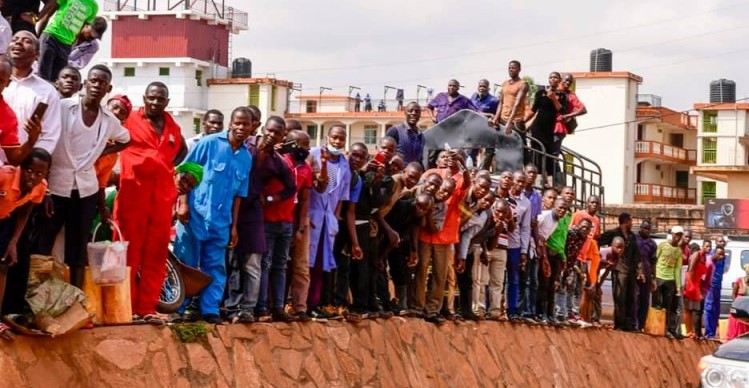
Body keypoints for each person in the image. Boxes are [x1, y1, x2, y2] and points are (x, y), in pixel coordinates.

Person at [34, 65, 130, 289]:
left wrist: (102, 152)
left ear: (109, 88)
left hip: (85, 190)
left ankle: (76, 299)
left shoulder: (108, 119)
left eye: (102, 83)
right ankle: (36, 299)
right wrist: (44, 188)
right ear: (86, 83)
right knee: (43, 244)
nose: (97, 86)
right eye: (94, 81)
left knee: (78, 249)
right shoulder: (64, 107)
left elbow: (126, 139)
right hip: (56, 185)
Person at [114, 82, 187, 324]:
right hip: (133, 192)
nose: (155, 103)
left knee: (156, 253)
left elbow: (182, 149)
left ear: (167, 102)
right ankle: (125, 307)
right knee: (127, 252)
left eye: (160, 99)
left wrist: (166, 166)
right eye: (151, 98)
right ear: (144, 98)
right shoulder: (129, 119)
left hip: (162, 197)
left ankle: (146, 307)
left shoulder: (173, 126)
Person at [172, 107, 253, 325]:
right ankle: (177, 310)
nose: (241, 128)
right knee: (185, 263)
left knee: (216, 268)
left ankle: (210, 311)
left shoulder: (246, 157)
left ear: (252, 127)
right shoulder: (209, 143)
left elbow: (239, 195)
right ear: (230, 123)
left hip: (221, 222)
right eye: (237, 123)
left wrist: (234, 226)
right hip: (195, 216)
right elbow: (184, 172)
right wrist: (183, 204)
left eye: (246, 124)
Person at [229, 116, 294, 323]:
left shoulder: (278, 162)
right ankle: (230, 307)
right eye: (270, 130)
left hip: (253, 213)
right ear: (263, 129)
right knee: (230, 261)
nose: (272, 135)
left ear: (282, 137)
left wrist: (270, 198)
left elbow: (291, 188)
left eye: (277, 133)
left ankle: (248, 309)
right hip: (229, 207)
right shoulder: (245, 146)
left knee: (253, 263)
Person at [305, 125, 352, 317]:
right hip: (311, 216)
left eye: (341, 139)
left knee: (320, 264)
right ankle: (297, 303)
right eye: (334, 138)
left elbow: (342, 196)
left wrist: (334, 219)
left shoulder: (344, 164)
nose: (337, 142)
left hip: (328, 220)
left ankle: (313, 304)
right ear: (327, 137)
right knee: (303, 262)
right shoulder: (313, 154)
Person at [413, 168, 470, 324]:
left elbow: (466, 183)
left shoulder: (445, 205)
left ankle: (432, 310)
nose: (444, 194)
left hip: (443, 240)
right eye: (443, 190)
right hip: (423, 239)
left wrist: (429, 213)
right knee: (421, 272)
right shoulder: (422, 195)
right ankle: (417, 307)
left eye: (448, 192)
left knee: (440, 275)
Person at [0, 149, 52, 317]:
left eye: (39, 173)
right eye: (29, 171)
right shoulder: (4, 176)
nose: (32, 177)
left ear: (46, 173)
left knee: (3, 265)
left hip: (4, 220)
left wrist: (13, 242)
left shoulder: (41, 187)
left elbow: (25, 210)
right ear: (21, 167)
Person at [4, 31, 61, 161]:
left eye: (27, 41)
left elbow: (49, 137)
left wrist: (31, 164)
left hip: (24, 167)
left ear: (37, 55)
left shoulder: (47, 92)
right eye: (15, 39)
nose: (18, 42)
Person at [280, 130, 314, 321]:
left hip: (298, 221)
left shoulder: (306, 168)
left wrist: (301, 227)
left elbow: (305, 199)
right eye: (302, 145)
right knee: (280, 264)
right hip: (279, 219)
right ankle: (276, 305)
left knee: (301, 266)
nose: (306, 149)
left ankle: (300, 307)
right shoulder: (281, 162)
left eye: (308, 145)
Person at [36, 0, 99, 82]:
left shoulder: (94, 6)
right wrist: (38, 39)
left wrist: (71, 45)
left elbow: (80, 29)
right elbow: (47, 15)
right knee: (43, 75)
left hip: (66, 45)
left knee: (56, 80)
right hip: (51, 37)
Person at [599, 213, 641, 331]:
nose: (632, 224)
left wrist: (639, 270)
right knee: (619, 298)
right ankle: (619, 324)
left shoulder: (632, 236)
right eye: (631, 221)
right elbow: (598, 241)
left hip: (631, 271)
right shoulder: (613, 233)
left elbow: (637, 254)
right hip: (618, 269)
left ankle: (629, 324)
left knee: (630, 298)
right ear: (626, 221)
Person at [488, 61, 529, 170]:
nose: (511, 70)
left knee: (521, 146)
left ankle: (529, 171)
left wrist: (510, 122)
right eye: (509, 68)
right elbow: (501, 102)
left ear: (519, 69)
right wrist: (496, 118)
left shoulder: (523, 84)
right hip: (503, 119)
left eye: (514, 68)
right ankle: (502, 170)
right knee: (500, 146)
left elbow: (517, 103)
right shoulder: (505, 83)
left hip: (516, 121)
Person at [526, 72, 563, 186]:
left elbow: (561, 110)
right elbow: (533, 110)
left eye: (555, 78)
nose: (553, 79)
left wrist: (553, 98)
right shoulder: (540, 93)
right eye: (551, 77)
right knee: (537, 151)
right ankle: (540, 179)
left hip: (550, 129)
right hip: (538, 127)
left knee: (547, 153)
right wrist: (523, 121)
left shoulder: (562, 95)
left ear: (559, 80)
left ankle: (547, 179)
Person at [535, 198, 569, 324]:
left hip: (553, 255)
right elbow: (536, 232)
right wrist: (544, 256)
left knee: (551, 285)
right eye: (560, 207)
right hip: (540, 253)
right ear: (554, 206)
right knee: (542, 284)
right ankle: (540, 312)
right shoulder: (544, 216)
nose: (562, 210)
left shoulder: (556, 221)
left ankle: (549, 314)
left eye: (565, 209)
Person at [504, 171, 532, 321]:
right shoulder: (503, 195)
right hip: (499, 242)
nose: (520, 185)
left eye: (523, 182)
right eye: (518, 181)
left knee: (513, 278)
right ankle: (492, 307)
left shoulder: (526, 202)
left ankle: (512, 310)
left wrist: (523, 250)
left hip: (514, 244)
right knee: (495, 278)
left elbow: (525, 228)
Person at [653, 226, 685, 339]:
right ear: (672, 234)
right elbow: (655, 260)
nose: (678, 237)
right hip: (659, 277)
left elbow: (677, 269)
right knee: (657, 304)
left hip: (670, 280)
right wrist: (653, 277)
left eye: (680, 235)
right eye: (676, 234)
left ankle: (667, 329)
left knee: (668, 306)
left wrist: (678, 286)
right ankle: (655, 327)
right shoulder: (662, 245)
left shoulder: (679, 251)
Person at [683, 240, 712, 339]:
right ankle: (688, 331)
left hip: (697, 284)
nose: (709, 248)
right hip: (691, 284)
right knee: (688, 309)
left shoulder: (704, 257)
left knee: (695, 309)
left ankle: (694, 332)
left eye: (710, 247)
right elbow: (690, 270)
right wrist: (692, 287)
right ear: (702, 246)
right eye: (707, 246)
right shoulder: (697, 254)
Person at [555, 73, 587, 156]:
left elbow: (583, 110)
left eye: (570, 81)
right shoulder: (551, 92)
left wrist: (567, 116)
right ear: (560, 80)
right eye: (566, 80)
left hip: (558, 128)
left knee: (553, 154)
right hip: (546, 127)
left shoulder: (570, 95)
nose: (568, 83)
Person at [386, 102, 425, 166]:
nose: (413, 113)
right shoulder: (394, 131)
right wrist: (376, 163)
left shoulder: (421, 135)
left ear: (420, 114)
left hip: (414, 173)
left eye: (417, 111)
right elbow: (383, 151)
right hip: (397, 173)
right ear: (405, 112)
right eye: (410, 111)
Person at [635, 220, 657, 330]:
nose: (647, 231)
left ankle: (641, 325)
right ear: (640, 228)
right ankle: (633, 323)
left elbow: (653, 262)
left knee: (644, 300)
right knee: (634, 299)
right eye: (645, 228)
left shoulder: (652, 243)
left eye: (649, 229)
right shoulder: (634, 239)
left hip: (647, 274)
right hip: (635, 274)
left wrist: (653, 278)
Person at [704, 236, 728, 339]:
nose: (721, 242)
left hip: (718, 287)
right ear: (715, 242)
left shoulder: (723, 256)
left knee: (716, 311)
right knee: (709, 309)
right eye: (719, 241)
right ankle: (708, 333)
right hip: (710, 287)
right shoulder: (711, 256)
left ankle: (712, 333)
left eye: (723, 241)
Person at [727, 263, 749, 340]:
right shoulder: (739, 280)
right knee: (738, 325)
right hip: (739, 307)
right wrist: (735, 304)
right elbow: (733, 294)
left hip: (747, 308)